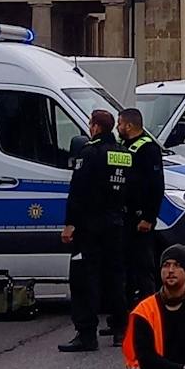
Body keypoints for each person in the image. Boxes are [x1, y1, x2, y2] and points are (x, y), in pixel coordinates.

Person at [59, 109, 125, 353]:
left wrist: (70, 223)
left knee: (84, 280)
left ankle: (86, 334)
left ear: (96, 127)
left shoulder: (90, 152)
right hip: (116, 225)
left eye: (90, 124)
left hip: (90, 227)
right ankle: (120, 329)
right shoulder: (123, 154)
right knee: (115, 278)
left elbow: (78, 192)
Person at [112, 108, 165, 330]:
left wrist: (149, 217)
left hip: (140, 220)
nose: (117, 128)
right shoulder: (124, 147)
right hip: (124, 218)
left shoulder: (148, 149)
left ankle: (151, 318)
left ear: (130, 126)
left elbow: (156, 186)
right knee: (125, 271)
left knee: (143, 271)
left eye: (120, 124)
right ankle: (124, 320)